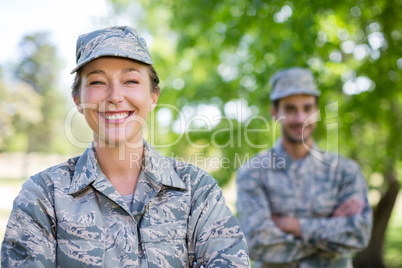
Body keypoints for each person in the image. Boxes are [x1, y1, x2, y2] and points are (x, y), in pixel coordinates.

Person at [1, 26, 250, 268]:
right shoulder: (43, 196)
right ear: (78, 100)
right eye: (98, 82)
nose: (115, 96)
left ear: (153, 97)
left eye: (130, 80)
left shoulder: (197, 192)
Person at [236, 67, 372, 268]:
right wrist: (330, 233)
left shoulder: (345, 171)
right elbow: (256, 242)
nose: (300, 118)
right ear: (274, 113)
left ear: (316, 111)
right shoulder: (253, 172)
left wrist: (293, 226)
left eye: (307, 108)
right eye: (290, 109)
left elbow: (359, 234)